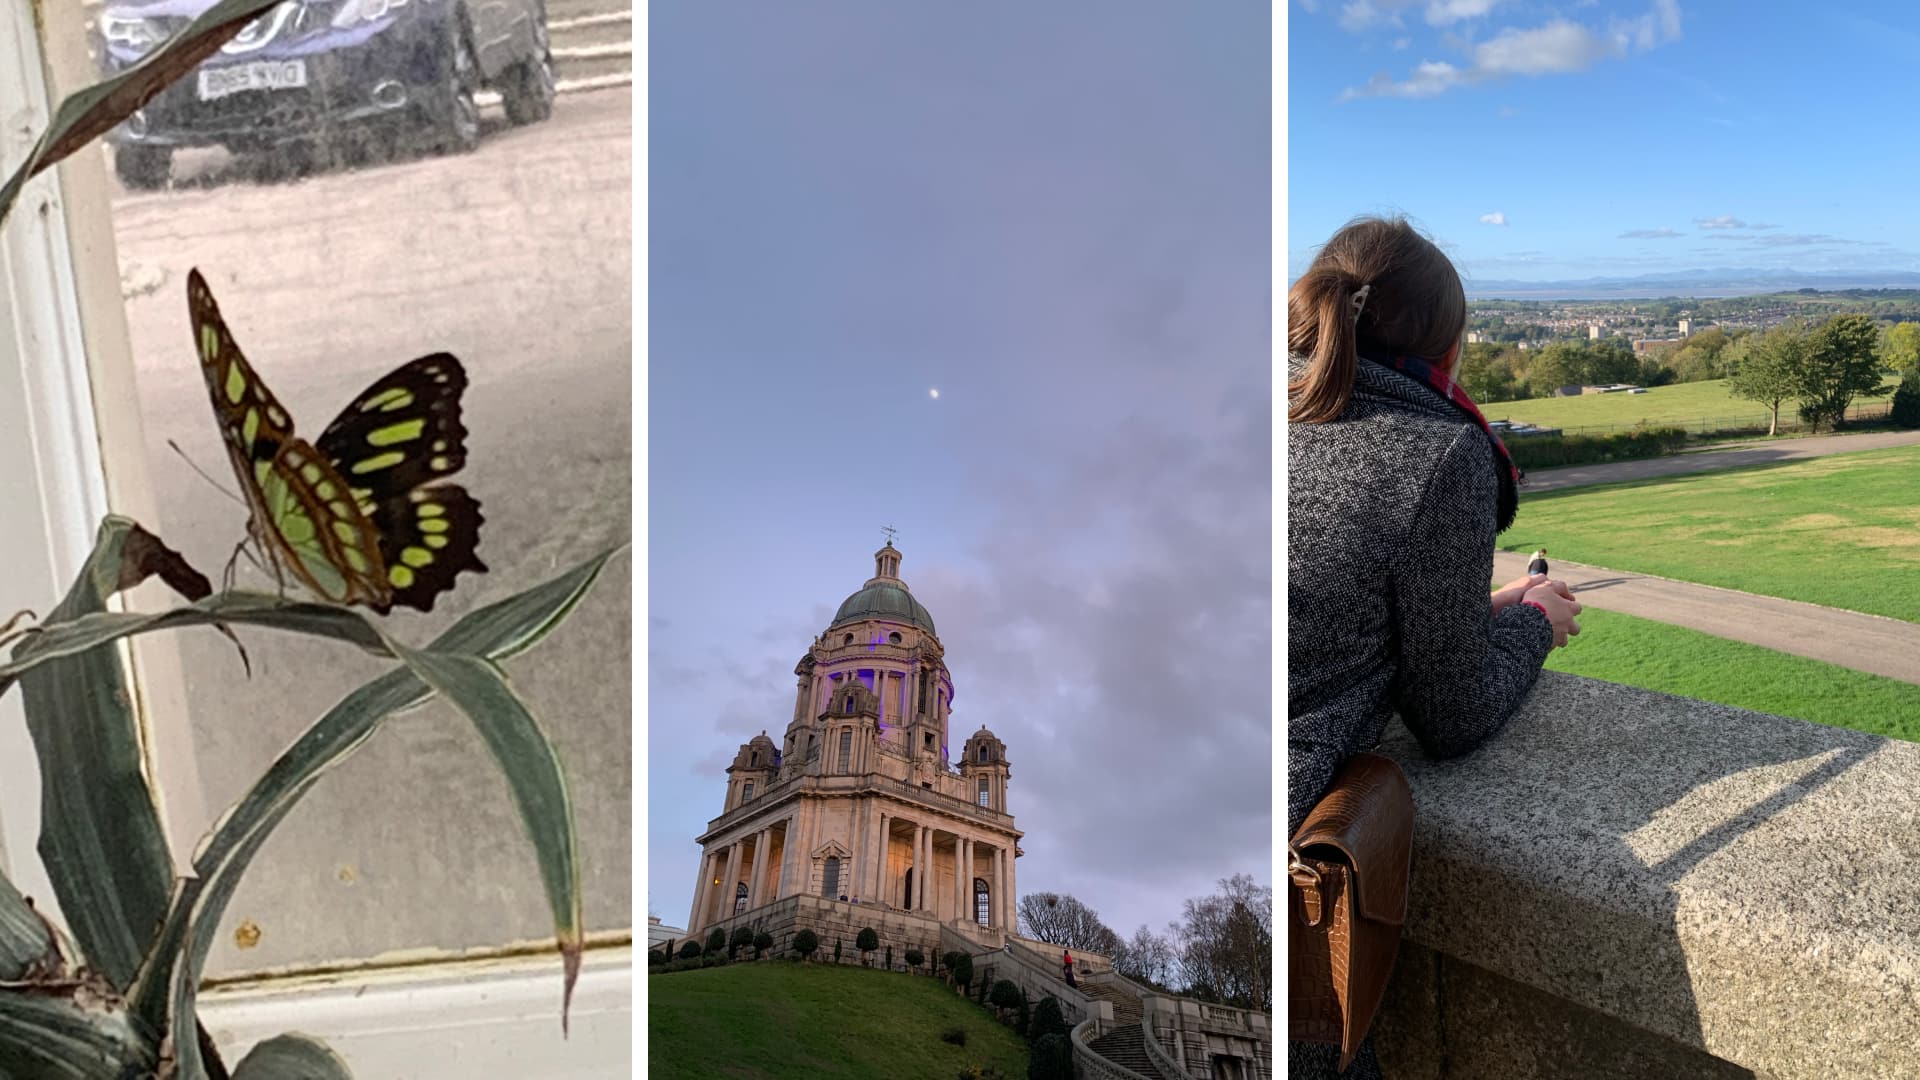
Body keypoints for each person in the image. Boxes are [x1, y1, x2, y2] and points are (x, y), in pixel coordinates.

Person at [1288, 217, 1581, 1080]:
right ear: (1447, 347)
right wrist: (1535, 624)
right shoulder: (1438, 449)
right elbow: (1453, 715)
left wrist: (1468, 610)